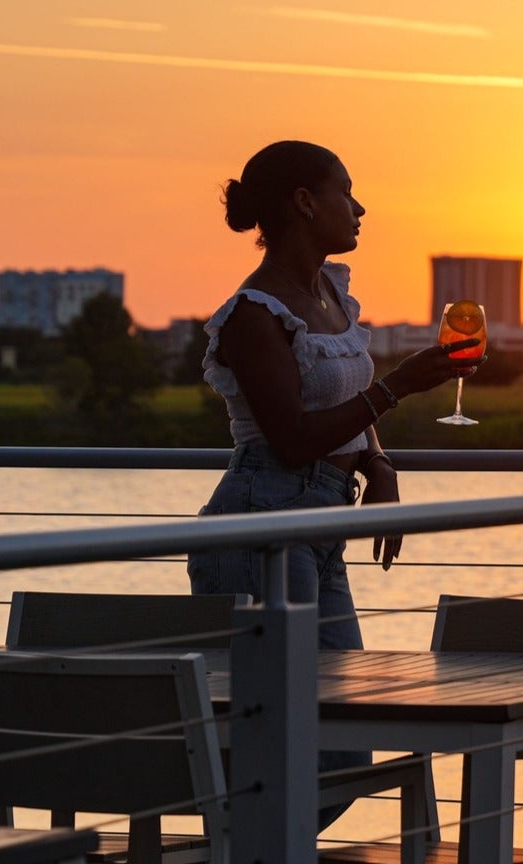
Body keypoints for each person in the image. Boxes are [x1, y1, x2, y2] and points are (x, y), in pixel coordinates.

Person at [184, 139, 477, 830]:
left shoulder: (330, 294)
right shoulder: (254, 315)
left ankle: (253, 848)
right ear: (306, 202)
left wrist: (377, 462)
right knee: (273, 751)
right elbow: (290, 439)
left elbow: (342, 397)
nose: (361, 207)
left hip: (321, 523)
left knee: (343, 741)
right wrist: (399, 386)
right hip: (261, 524)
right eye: (347, 191)